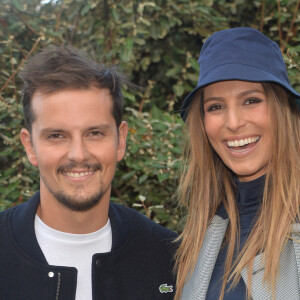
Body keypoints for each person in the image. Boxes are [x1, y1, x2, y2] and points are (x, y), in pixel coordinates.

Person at [0, 46, 177, 300]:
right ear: (30, 146)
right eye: (57, 136)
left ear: (120, 140)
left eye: (94, 133)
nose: (78, 155)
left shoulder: (169, 260)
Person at [174, 27, 300, 300]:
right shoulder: (198, 236)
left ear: (282, 109)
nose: (233, 123)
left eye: (251, 100)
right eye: (216, 107)